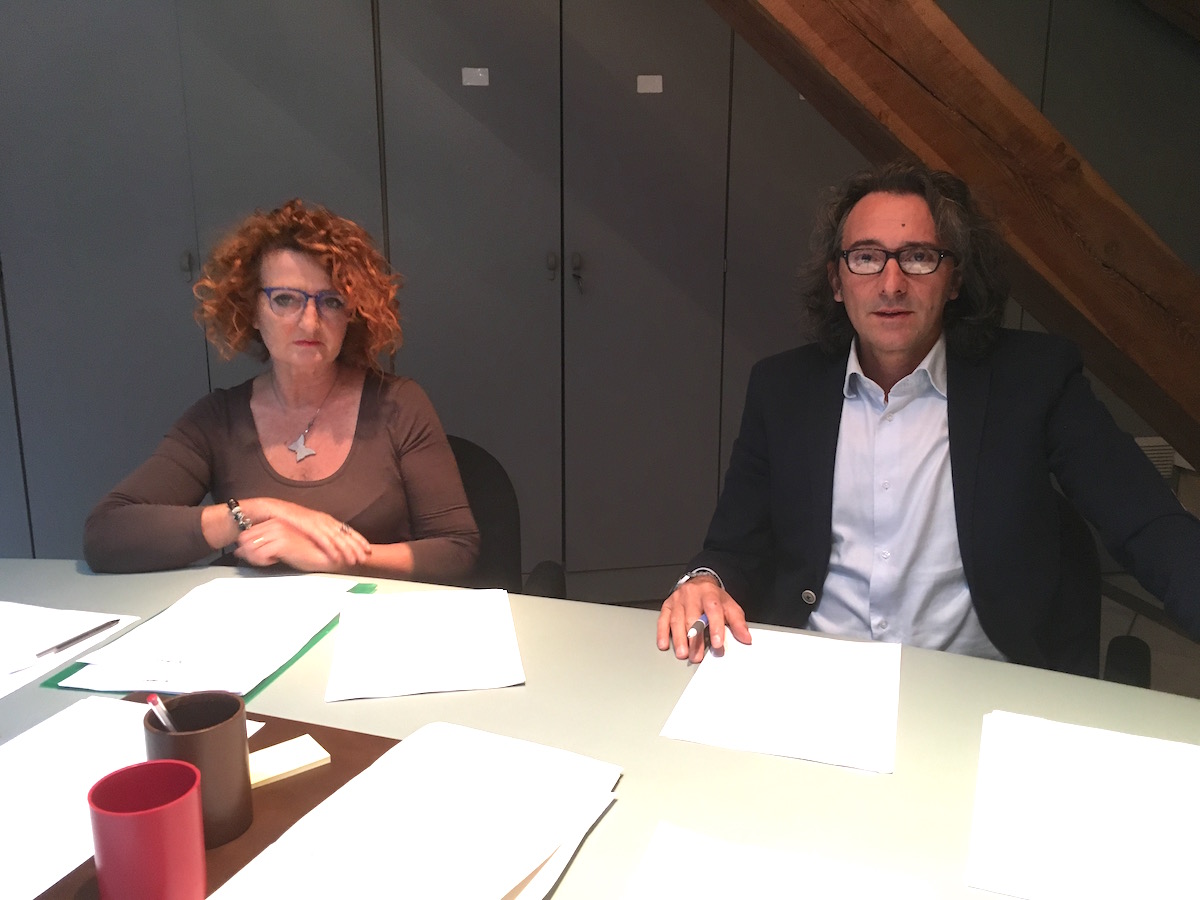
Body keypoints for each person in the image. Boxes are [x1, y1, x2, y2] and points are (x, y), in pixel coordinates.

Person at [657, 160, 1200, 675]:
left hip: (977, 683)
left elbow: (1147, 521)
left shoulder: (1035, 380)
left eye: (918, 257)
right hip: (820, 674)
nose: (891, 283)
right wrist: (704, 579)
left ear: (954, 279)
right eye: (866, 257)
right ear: (837, 282)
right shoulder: (782, 389)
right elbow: (732, 546)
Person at [85, 199, 480, 581]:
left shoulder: (398, 404)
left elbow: (456, 549)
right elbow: (107, 534)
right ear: (252, 311)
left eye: (331, 302)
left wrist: (331, 559)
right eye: (285, 299)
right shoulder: (217, 420)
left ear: (352, 314)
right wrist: (257, 512)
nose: (309, 322)